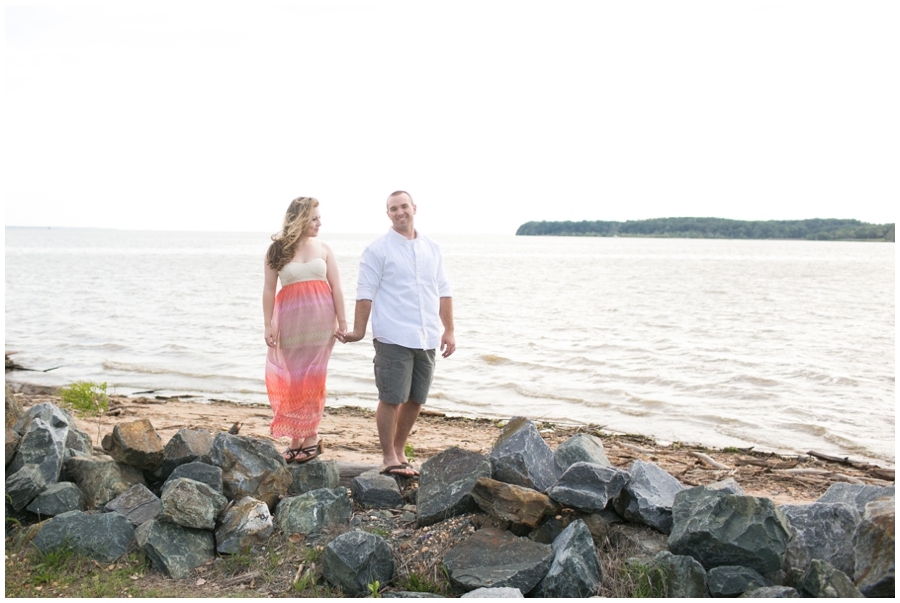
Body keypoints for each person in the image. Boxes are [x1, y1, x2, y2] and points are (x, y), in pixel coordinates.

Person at [340, 191, 455, 478]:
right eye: (393, 209)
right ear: (388, 214)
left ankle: (400, 450)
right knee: (392, 397)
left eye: (404, 206)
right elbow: (364, 292)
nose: (400, 212)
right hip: (393, 334)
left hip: (427, 335)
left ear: (414, 208)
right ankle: (388, 457)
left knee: (416, 398)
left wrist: (449, 330)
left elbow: (443, 290)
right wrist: (358, 331)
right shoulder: (377, 250)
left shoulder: (432, 248)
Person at [263, 197, 347, 463]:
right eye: (314, 218)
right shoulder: (277, 250)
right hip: (290, 324)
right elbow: (268, 290)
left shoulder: (324, 248)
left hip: (321, 322)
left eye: (319, 217)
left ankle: (310, 434)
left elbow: (337, 286)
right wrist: (267, 325)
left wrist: (343, 322)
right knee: (292, 378)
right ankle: (295, 437)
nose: (319, 222)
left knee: (314, 376)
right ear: (299, 219)